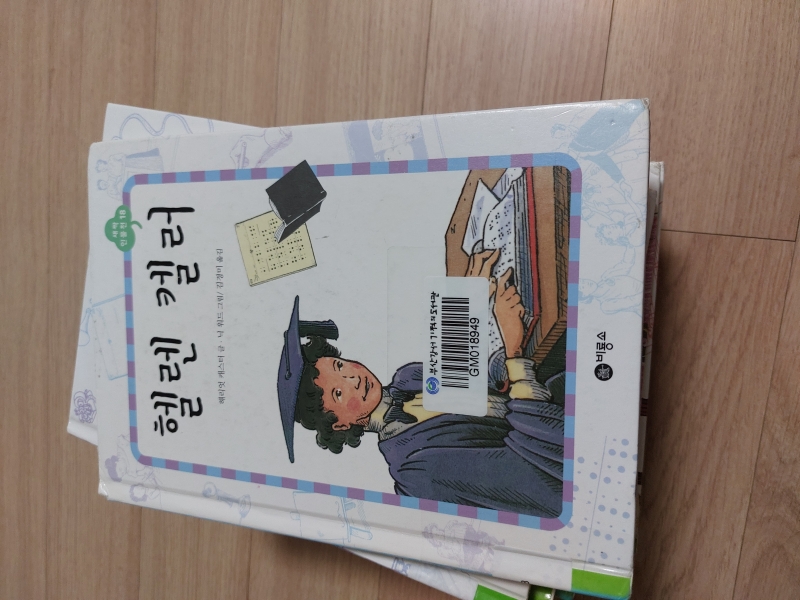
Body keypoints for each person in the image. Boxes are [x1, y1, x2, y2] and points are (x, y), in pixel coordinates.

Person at [286, 250, 565, 517]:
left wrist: (469, 301)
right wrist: (514, 352)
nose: (353, 379)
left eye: (339, 365)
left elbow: (487, 382)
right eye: (337, 392)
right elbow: (542, 473)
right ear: (339, 425)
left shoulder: (408, 378)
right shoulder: (415, 472)